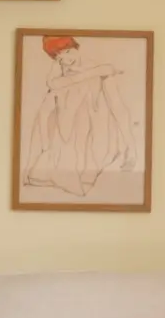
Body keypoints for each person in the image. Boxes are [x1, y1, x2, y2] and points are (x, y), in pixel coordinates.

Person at [25, 35, 138, 197]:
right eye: (58, 57)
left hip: (93, 132)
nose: (65, 60)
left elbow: (118, 107)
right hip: (63, 134)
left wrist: (131, 146)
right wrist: (93, 73)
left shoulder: (100, 71)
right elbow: (52, 84)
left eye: (67, 51)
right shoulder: (68, 68)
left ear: (75, 47)